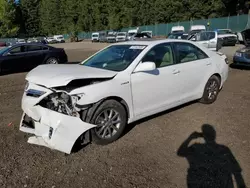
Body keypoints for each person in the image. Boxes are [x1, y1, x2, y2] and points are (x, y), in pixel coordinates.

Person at [177, 124, 246, 188]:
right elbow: (180, 152)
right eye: (207, 133)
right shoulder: (197, 148)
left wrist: (190, 138)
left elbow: (236, 171)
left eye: (210, 132)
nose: (210, 134)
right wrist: (190, 137)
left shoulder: (223, 149)